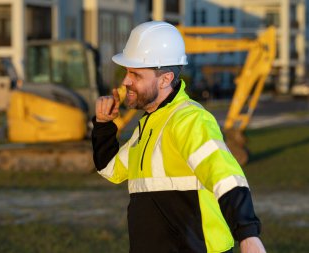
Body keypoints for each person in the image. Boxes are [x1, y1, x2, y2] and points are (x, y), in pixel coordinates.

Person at [92, 21, 266, 253]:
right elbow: (110, 170)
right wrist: (104, 126)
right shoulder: (149, 123)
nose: (126, 81)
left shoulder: (189, 119)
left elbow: (225, 176)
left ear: (165, 79)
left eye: (136, 74)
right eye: (127, 72)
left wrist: (247, 235)